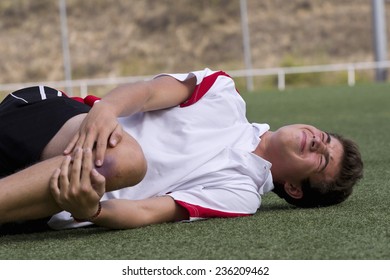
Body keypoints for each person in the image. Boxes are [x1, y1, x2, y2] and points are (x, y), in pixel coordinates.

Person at [0, 68, 363, 231]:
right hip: (49, 119)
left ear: (296, 188)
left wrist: (92, 210)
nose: (319, 142)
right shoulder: (223, 94)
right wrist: (107, 109)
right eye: (326, 138)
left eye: (322, 160)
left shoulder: (239, 196)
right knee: (124, 159)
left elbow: (146, 211)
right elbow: (147, 93)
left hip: (46, 201)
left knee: (110, 169)